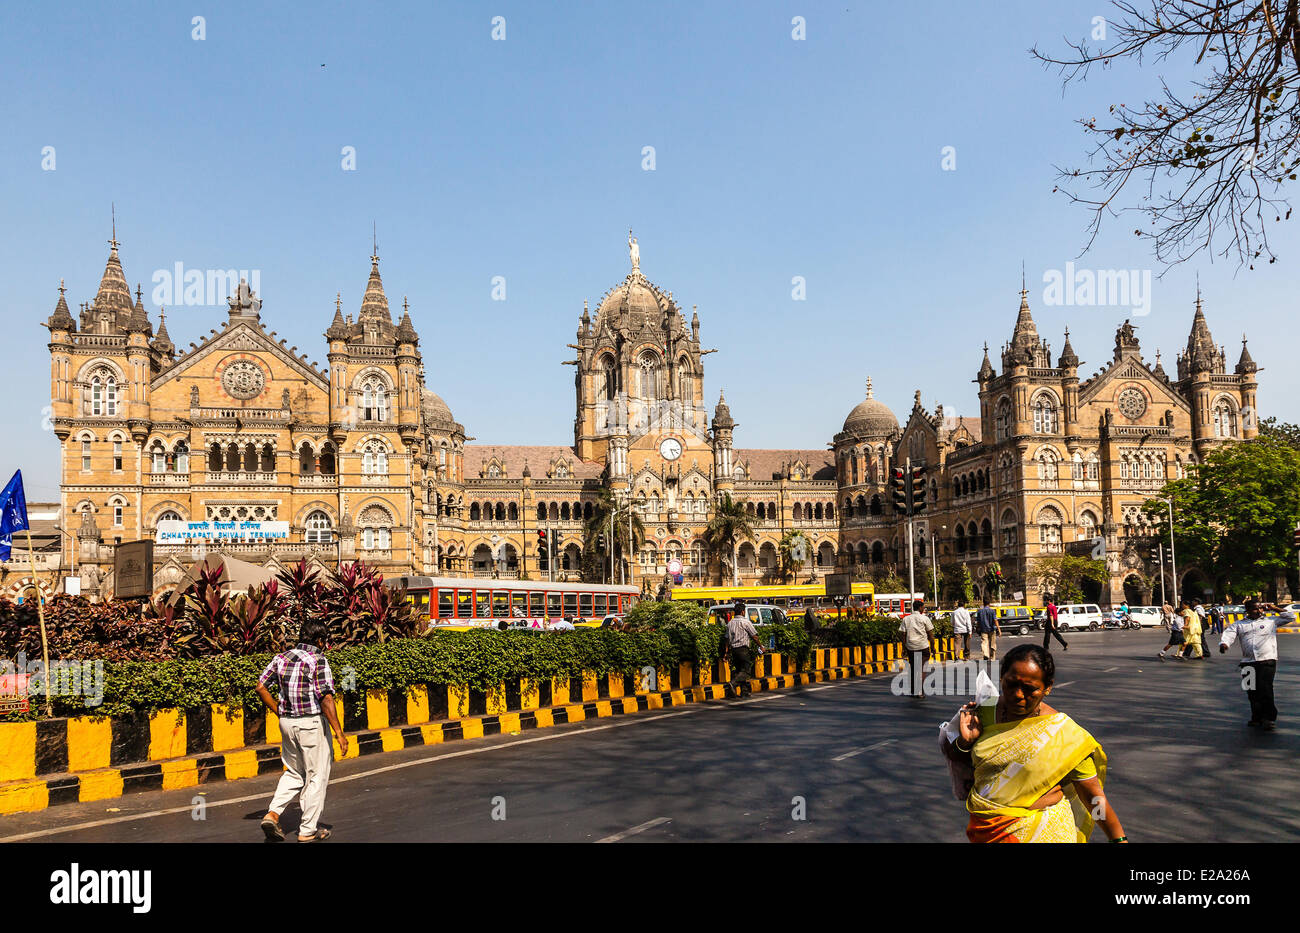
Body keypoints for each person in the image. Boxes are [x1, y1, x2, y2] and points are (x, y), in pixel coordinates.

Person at [940, 644, 1127, 843]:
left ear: (1047, 687)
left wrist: (1118, 839)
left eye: (1030, 689)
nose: (1018, 695)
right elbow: (958, 759)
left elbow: (1093, 797)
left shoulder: (1064, 733)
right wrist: (965, 742)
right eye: (1011, 684)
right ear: (1001, 677)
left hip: (1043, 832)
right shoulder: (982, 712)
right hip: (986, 829)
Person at [255, 619, 348, 842]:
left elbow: (260, 687)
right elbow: (326, 698)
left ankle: (273, 813)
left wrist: (279, 710)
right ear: (319, 640)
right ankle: (307, 830)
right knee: (316, 776)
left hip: (287, 723)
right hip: (311, 724)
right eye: (324, 641)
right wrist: (339, 733)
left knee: (294, 772)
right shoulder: (318, 660)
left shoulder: (281, 657)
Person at [1219, 598, 1295, 730]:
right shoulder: (1239, 624)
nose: (1259, 610)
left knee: (1265, 689)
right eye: (1255, 608)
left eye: (1260, 608)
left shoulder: (1271, 621)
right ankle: (1257, 717)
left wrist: (1274, 608)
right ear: (1247, 610)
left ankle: (1269, 718)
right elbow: (1228, 634)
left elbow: (1291, 616)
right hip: (1247, 662)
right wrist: (1224, 644)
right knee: (1251, 691)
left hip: (1267, 660)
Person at [725, 600, 764, 698]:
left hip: (734, 650)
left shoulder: (730, 623)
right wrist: (760, 646)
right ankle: (733, 683)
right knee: (746, 671)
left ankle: (744, 692)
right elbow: (754, 636)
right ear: (743, 612)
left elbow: (727, 639)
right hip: (743, 649)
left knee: (739, 670)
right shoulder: (745, 622)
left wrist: (726, 652)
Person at [899, 599, 935, 697]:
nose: (924, 609)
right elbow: (930, 635)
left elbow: (902, 634)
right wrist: (933, 647)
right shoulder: (925, 619)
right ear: (919, 608)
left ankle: (913, 690)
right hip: (923, 647)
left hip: (911, 647)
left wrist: (904, 647)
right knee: (922, 669)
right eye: (923, 607)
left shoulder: (906, 619)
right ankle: (919, 691)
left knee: (914, 668)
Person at [975, 596, 1000, 661]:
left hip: (983, 629)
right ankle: (992, 657)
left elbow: (978, 621)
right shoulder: (992, 611)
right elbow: (995, 620)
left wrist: (978, 628)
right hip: (992, 629)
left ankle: (986, 654)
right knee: (993, 643)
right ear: (989, 603)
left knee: (984, 642)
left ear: (983, 603)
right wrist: (999, 629)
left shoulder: (980, 611)